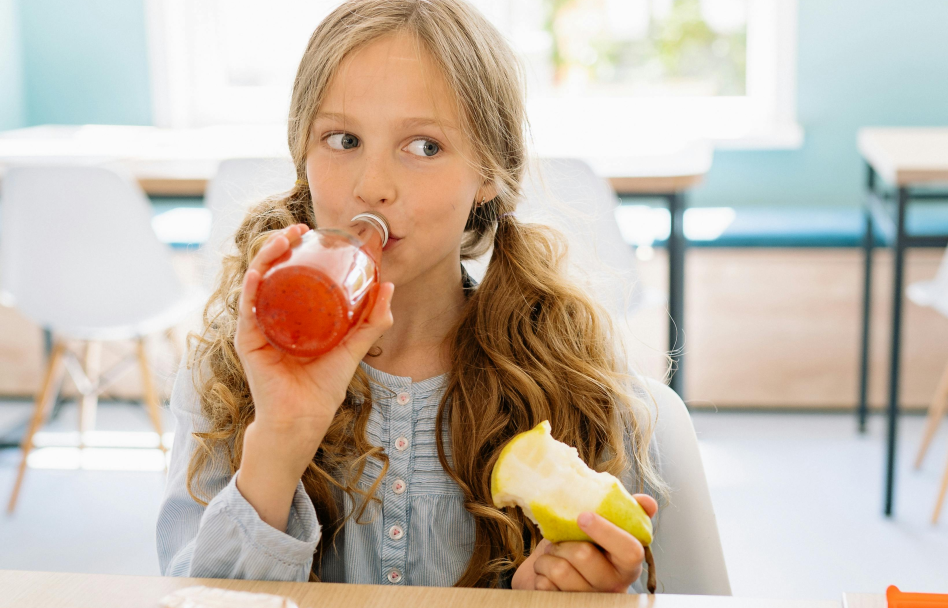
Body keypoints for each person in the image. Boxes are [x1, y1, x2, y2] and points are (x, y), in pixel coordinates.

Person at [156, 0, 669, 593]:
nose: (371, 187)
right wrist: (279, 440)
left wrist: (561, 593)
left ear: (490, 174)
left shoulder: (567, 367)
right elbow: (198, 598)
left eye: (424, 146)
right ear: (303, 153)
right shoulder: (229, 374)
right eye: (342, 139)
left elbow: (628, 574)